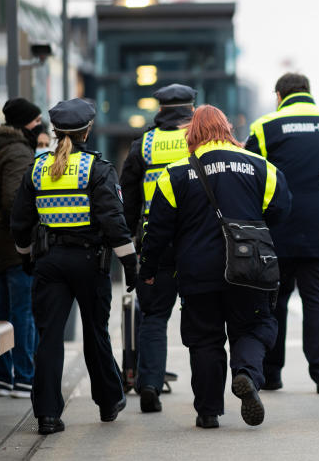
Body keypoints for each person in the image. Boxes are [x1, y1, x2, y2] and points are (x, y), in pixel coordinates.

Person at [140, 105, 291, 429]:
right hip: (248, 266)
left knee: (204, 339)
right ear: (227, 129)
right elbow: (281, 208)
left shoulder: (176, 173)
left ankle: (208, 411)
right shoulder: (260, 166)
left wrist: (148, 268)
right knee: (253, 326)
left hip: (197, 270)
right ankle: (246, 373)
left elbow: (158, 229)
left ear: (192, 134)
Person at [11, 98, 136, 435]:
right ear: (88, 130)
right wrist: (130, 262)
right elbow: (113, 221)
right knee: (96, 333)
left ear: (54, 131)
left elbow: (20, 221)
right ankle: (109, 402)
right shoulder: (96, 169)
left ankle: (48, 415)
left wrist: (26, 255)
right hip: (89, 262)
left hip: (49, 263)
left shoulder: (37, 168)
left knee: (48, 338)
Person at [245, 73, 319, 394]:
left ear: (279, 95)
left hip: (278, 231)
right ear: (308, 92)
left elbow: (250, 174)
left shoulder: (266, 127)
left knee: (274, 303)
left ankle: (271, 374)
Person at [119, 83, 194, 412]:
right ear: (191, 109)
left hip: (155, 241)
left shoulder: (143, 145)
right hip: (196, 241)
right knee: (206, 317)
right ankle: (210, 392)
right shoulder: (199, 141)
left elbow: (129, 200)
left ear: (160, 110)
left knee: (154, 317)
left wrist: (132, 241)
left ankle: (149, 383)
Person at [0, 98, 43, 399]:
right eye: (36, 121)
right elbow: (14, 200)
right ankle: (24, 377)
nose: (39, 126)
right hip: (13, 242)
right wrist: (27, 239)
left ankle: (2, 377)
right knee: (22, 310)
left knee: (3, 310)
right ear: (24, 123)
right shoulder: (18, 151)